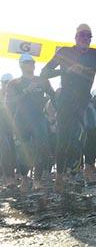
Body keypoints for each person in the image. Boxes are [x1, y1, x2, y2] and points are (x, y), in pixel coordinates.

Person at [41, 24, 96, 192]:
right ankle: (59, 175)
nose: (85, 38)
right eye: (81, 35)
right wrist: (66, 71)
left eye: (88, 36)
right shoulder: (65, 52)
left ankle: (88, 168)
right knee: (64, 138)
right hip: (66, 100)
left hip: (84, 100)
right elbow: (44, 72)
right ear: (75, 37)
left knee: (93, 131)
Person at [6, 54, 55, 192]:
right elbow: (9, 103)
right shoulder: (14, 83)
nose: (31, 64)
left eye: (32, 62)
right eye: (27, 62)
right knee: (23, 152)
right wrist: (27, 91)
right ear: (21, 65)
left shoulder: (42, 81)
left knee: (42, 147)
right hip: (21, 120)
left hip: (38, 118)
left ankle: (37, 180)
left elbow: (53, 96)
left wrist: (55, 115)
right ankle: (24, 177)